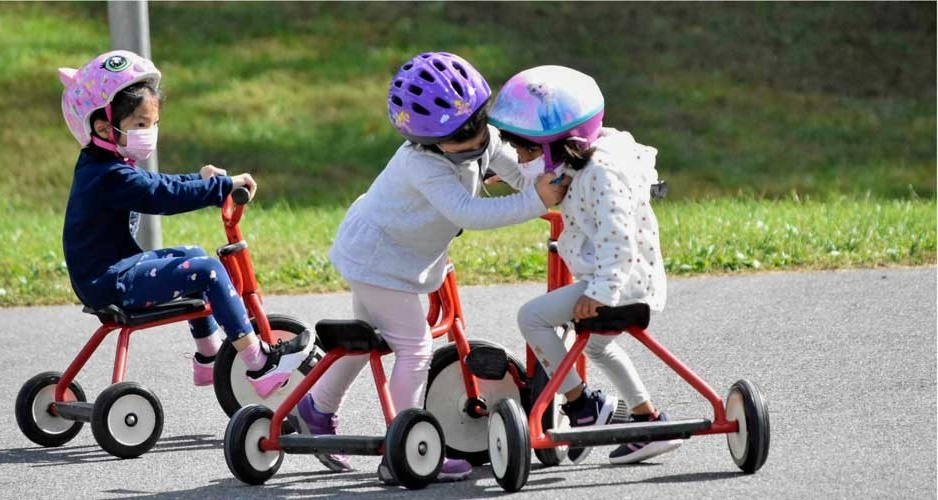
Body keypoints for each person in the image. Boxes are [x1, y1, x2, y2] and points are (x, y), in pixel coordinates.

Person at [292, 52, 569, 483]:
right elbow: (469, 213)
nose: (476, 142)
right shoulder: (421, 164)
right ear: (425, 140)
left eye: (479, 125)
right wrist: (537, 201)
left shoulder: (483, 138)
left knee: (367, 339)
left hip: (388, 255)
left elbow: (518, 176)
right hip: (378, 260)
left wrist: (556, 182)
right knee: (415, 348)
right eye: (460, 137)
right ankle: (406, 450)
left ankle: (317, 408)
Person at [58, 50, 312, 398]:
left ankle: (209, 357)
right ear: (104, 127)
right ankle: (260, 364)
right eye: (140, 125)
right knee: (207, 271)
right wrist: (219, 187)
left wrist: (200, 178)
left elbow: (158, 184)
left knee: (191, 254)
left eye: (154, 124)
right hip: (111, 283)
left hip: (108, 274)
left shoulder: (101, 165)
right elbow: (161, 195)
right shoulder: (111, 176)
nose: (150, 132)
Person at [488, 65, 683, 465]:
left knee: (532, 318)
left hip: (621, 283)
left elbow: (620, 239)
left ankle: (581, 405)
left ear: (555, 147)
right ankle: (649, 421)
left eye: (526, 152)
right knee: (597, 346)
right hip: (619, 279)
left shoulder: (601, 176)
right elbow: (535, 184)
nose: (522, 159)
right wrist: (505, 165)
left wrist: (600, 293)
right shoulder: (577, 160)